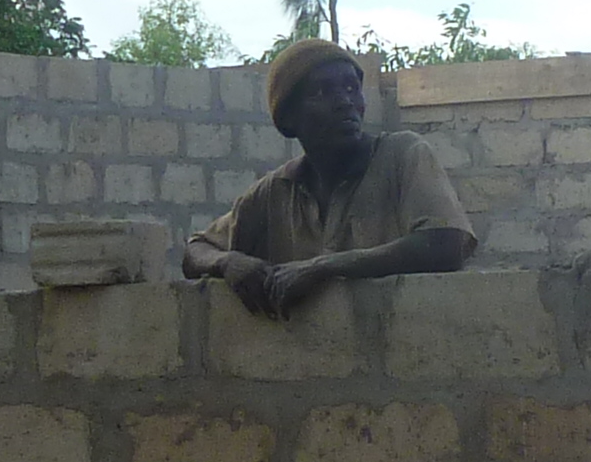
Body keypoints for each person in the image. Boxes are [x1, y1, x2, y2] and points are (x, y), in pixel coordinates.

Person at [183, 37, 477, 316]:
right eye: (322, 92)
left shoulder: (402, 155)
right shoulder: (276, 191)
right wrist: (229, 262)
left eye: (352, 88)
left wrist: (323, 268)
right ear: (288, 118)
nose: (344, 102)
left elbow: (446, 243)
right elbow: (196, 251)